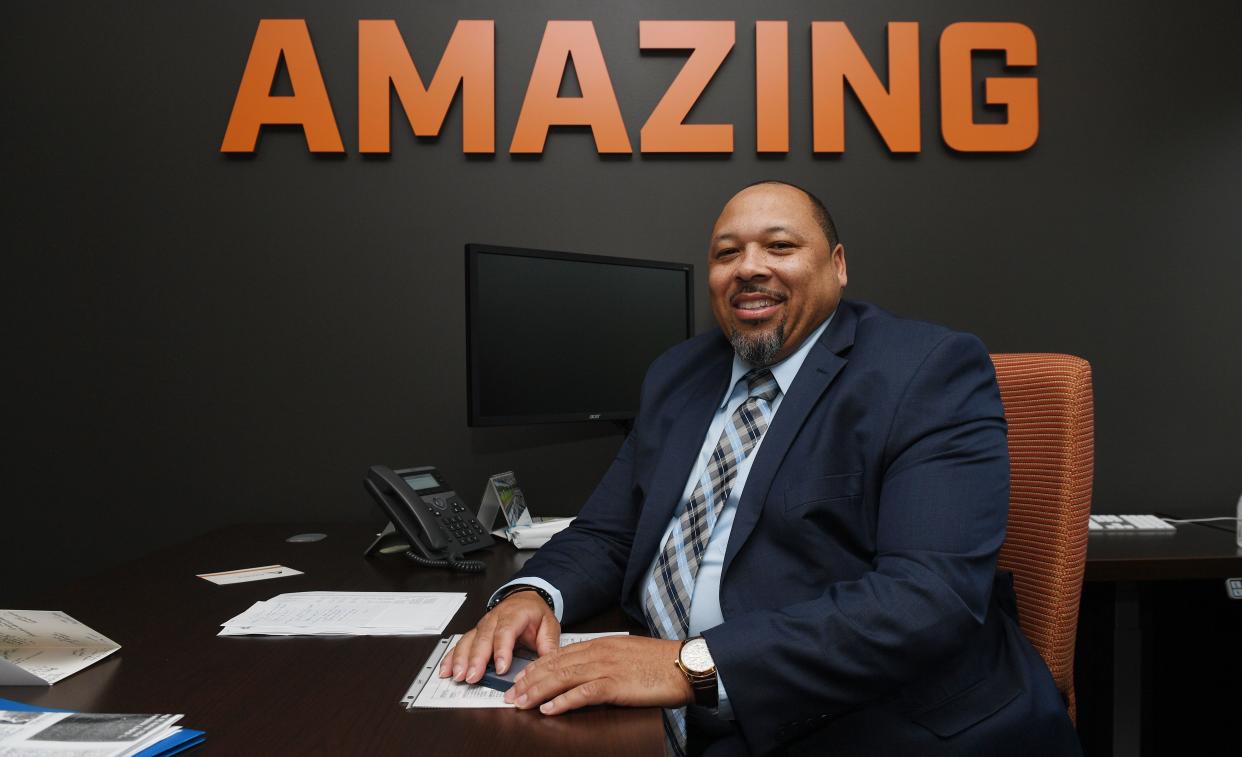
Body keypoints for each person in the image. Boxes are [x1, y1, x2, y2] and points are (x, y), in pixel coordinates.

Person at [439, 181, 1082, 756]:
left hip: (854, 716)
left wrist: (693, 665)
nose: (750, 268)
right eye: (727, 253)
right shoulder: (679, 373)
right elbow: (610, 531)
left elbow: (927, 598)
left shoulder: (926, 370)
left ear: (837, 266)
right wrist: (532, 594)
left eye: (779, 246)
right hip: (663, 703)